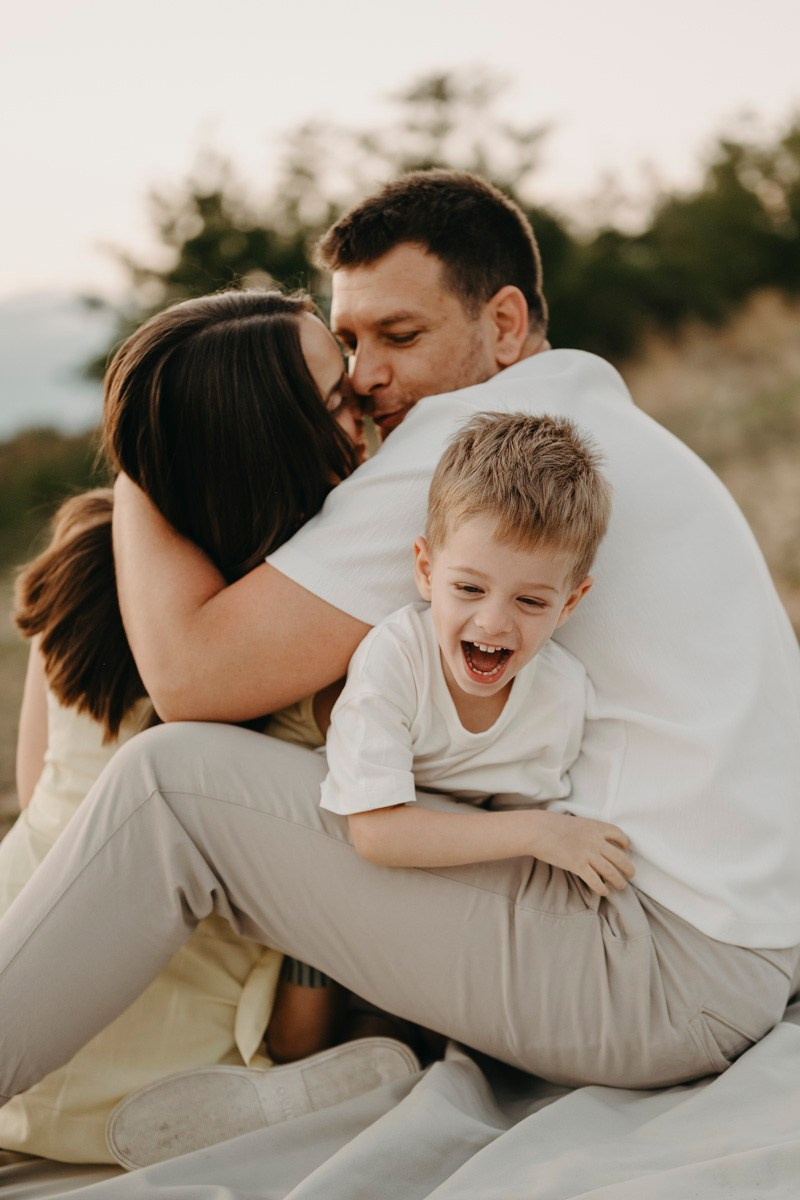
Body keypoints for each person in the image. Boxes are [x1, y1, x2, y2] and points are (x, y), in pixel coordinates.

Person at [1, 170, 799, 1125]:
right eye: (349, 341)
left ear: (505, 326)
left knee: (171, 783)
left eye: (401, 337)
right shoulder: (584, 423)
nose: (369, 376)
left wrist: (143, 450)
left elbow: (192, 680)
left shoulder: (473, 447)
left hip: (657, 967)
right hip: (709, 944)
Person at [0, 291, 416, 1164]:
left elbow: (39, 786)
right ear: (274, 442)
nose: (368, 404)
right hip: (173, 1055)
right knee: (363, 1042)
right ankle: (275, 1082)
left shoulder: (83, 557)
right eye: (338, 399)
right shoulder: (309, 642)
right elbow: (328, 905)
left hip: (16, 979)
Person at [323, 412, 634, 898]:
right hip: (346, 854)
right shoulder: (397, 658)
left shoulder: (564, 694)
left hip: (457, 880)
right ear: (426, 570)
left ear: (569, 603)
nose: (493, 623)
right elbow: (373, 832)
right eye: (469, 588)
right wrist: (539, 833)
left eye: (530, 601)